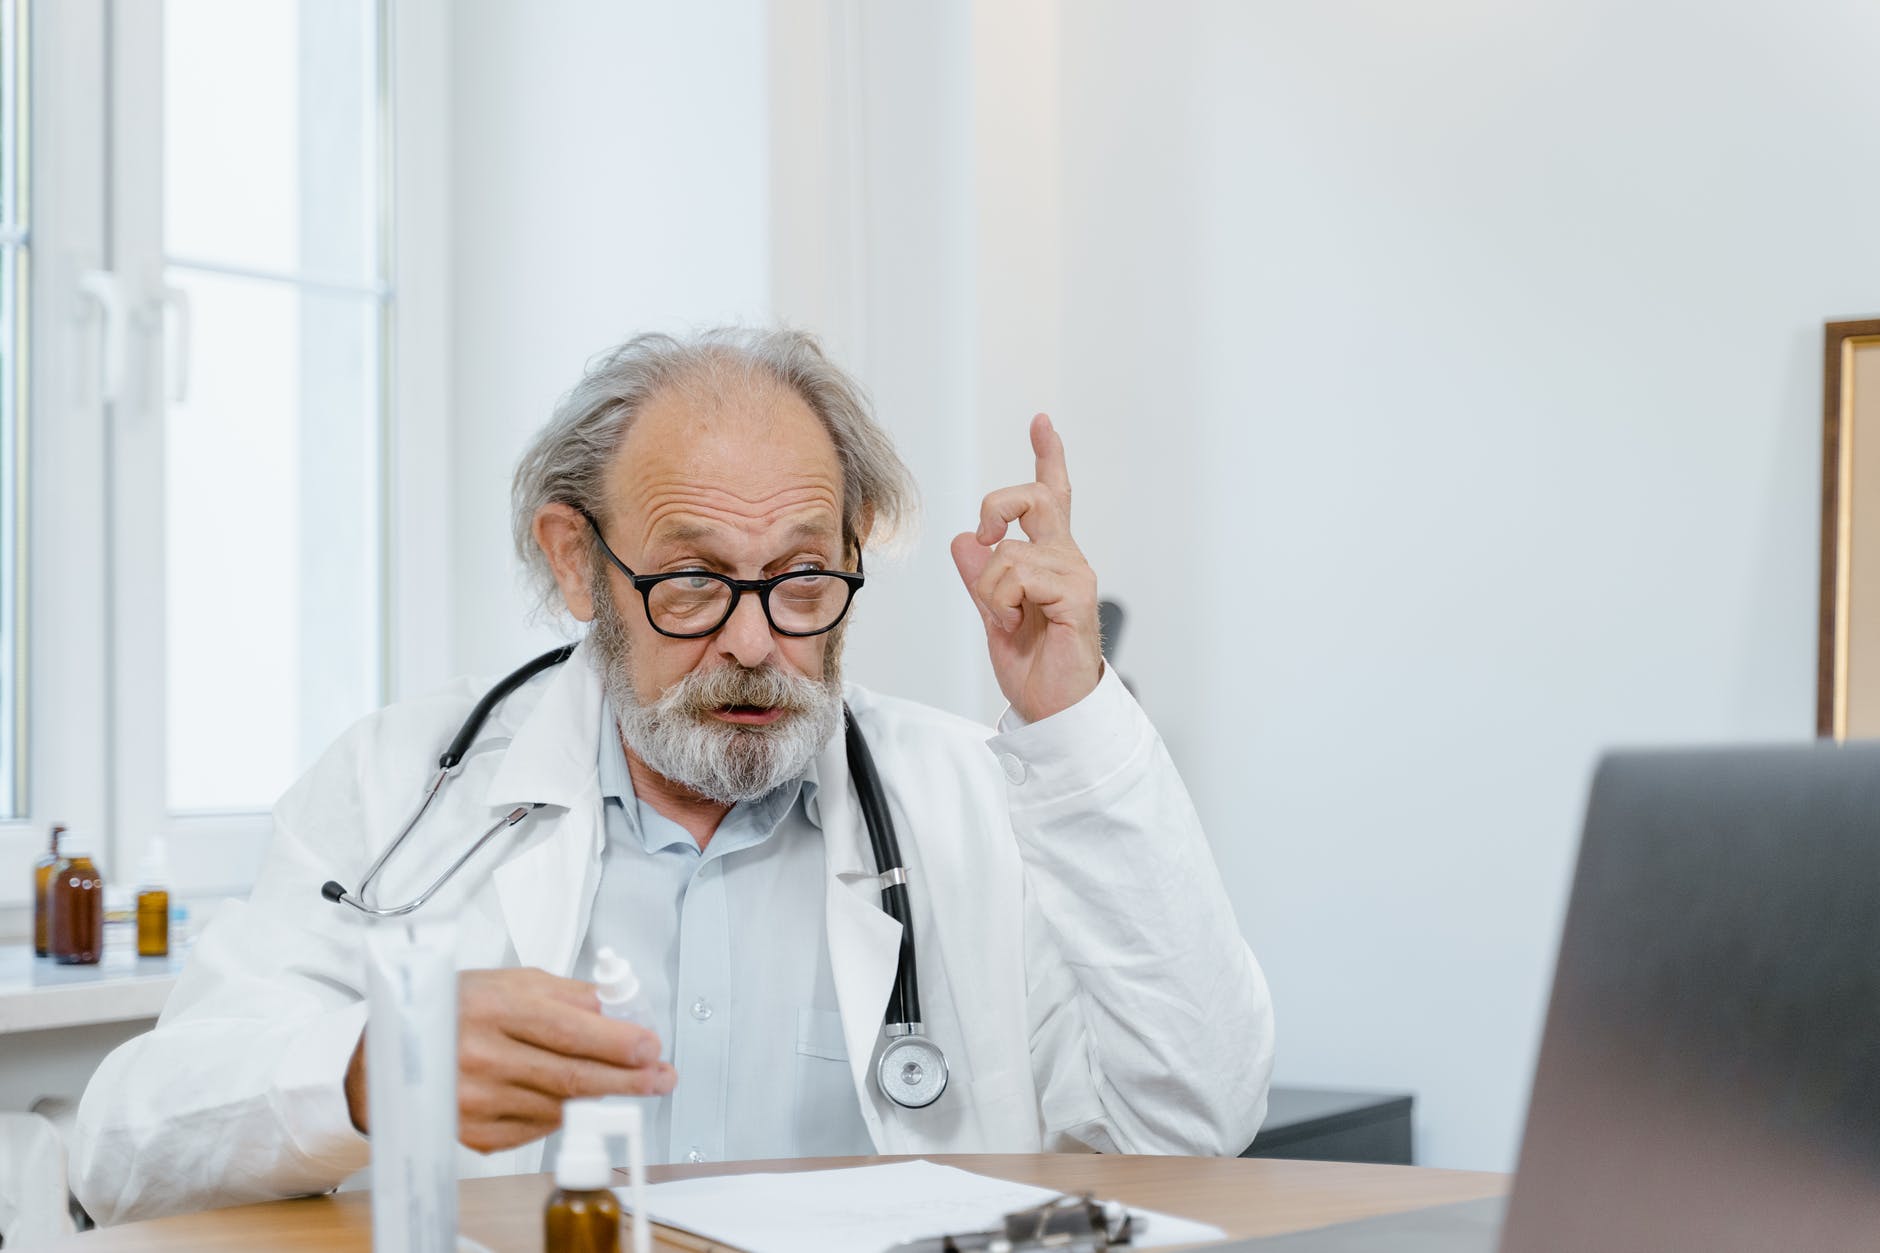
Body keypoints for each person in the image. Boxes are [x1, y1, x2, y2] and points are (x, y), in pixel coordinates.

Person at [70, 328, 1274, 1224]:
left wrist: (1073, 716)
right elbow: (122, 1143)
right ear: (576, 563)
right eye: (693, 582)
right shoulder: (399, 790)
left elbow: (1191, 1123)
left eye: (803, 580)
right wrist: (364, 1069)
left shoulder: (974, 799)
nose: (754, 641)